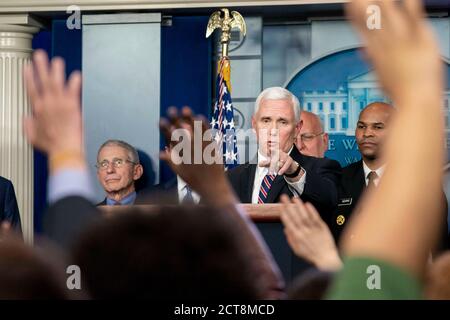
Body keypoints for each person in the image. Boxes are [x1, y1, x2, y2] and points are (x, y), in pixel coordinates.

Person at [23, 51, 284, 298]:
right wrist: (218, 190)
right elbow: (267, 287)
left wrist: (64, 150)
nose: (110, 169)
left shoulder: (104, 276)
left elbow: (74, 250)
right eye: (104, 163)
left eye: (117, 162)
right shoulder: (154, 201)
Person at [325, 0, 447, 299]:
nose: (367, 133)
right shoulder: (337, 179)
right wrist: (419, 90)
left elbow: (439, 254)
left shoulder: (424, 188)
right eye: (361, 126)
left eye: (378, 127)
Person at [227, 87, 341, 221]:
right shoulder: (231, 178)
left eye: (283, 122)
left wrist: (295, 172)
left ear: (297, 128)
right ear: (254, 125)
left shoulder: (320, 168)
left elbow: (330, 199)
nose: (273, 130)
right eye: (266, 120)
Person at [95, 139, 146, 206]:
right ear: (98, 175)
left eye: (118, 162)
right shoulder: (87, 215)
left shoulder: (156, 214)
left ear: (136, 172)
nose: (109, 170)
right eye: (104, 164)